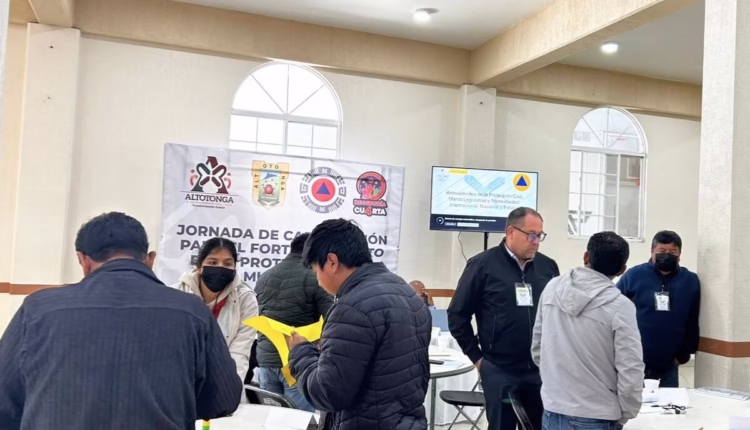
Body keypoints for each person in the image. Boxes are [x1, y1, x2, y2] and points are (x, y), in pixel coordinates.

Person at [0, 212, 241, 429]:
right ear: (150, 259)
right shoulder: (193, 312)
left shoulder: (38, 309)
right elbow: (224, 398)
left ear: (83, 260)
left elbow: (4, 402)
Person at [286, 219, 431, 430]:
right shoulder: (406, 292)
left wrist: (300, 353)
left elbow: (328, 393)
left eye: (316, 271)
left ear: (332, 262)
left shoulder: (351, 307)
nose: (318, 280)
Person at [448, 207, 559, 430]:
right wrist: (478, 359)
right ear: (510, 232)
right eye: (531, 235)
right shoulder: (482, 265)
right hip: (499, 370)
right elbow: (457, 315)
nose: (536, 242)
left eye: (540, 235)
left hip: (539, 371)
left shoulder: (548, 267)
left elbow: (557, 315)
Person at [532, 232, 644, 430]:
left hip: (552, 410)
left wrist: (556, 386)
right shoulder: (620, 306)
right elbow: (630, 367)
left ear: (586, 257)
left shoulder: (552, 289)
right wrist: (627, 412)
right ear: (622, 270)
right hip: (598, 415)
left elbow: (538, 348)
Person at [255, 233, 333, 412]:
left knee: (270, 420)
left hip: (266, 362)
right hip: (297, 364)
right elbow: (330, 320)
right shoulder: (315, 278)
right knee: (298, 421)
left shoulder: (264, 277)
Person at [617, 231, 700, 387]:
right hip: (635, 359)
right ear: (652, 251)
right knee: (633, 400)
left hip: (670, 361)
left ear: (680, 254)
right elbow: (614, 311)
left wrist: (686, 353)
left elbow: (693, 317)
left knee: (668, 400)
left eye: (672, 252)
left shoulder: (690, 281)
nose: (667, 255)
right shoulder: (633, 276)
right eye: (662, 251)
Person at [172, 238, 259, 384]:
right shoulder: (175, 294)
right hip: (180, 381)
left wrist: (228, 389)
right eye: (213, 262)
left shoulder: (246, 300)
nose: (220, 268)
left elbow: (239, 353)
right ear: (199, 266)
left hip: (222, 381)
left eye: (228, 264)